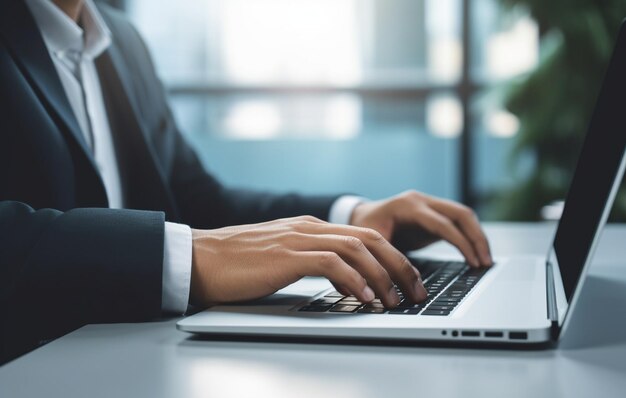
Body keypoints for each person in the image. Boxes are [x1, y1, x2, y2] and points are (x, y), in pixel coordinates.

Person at [0, 0, 492, 365]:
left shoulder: (121, 41)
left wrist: (350, 218)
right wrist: (189, 255)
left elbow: (195, 198)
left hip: (135, 368)